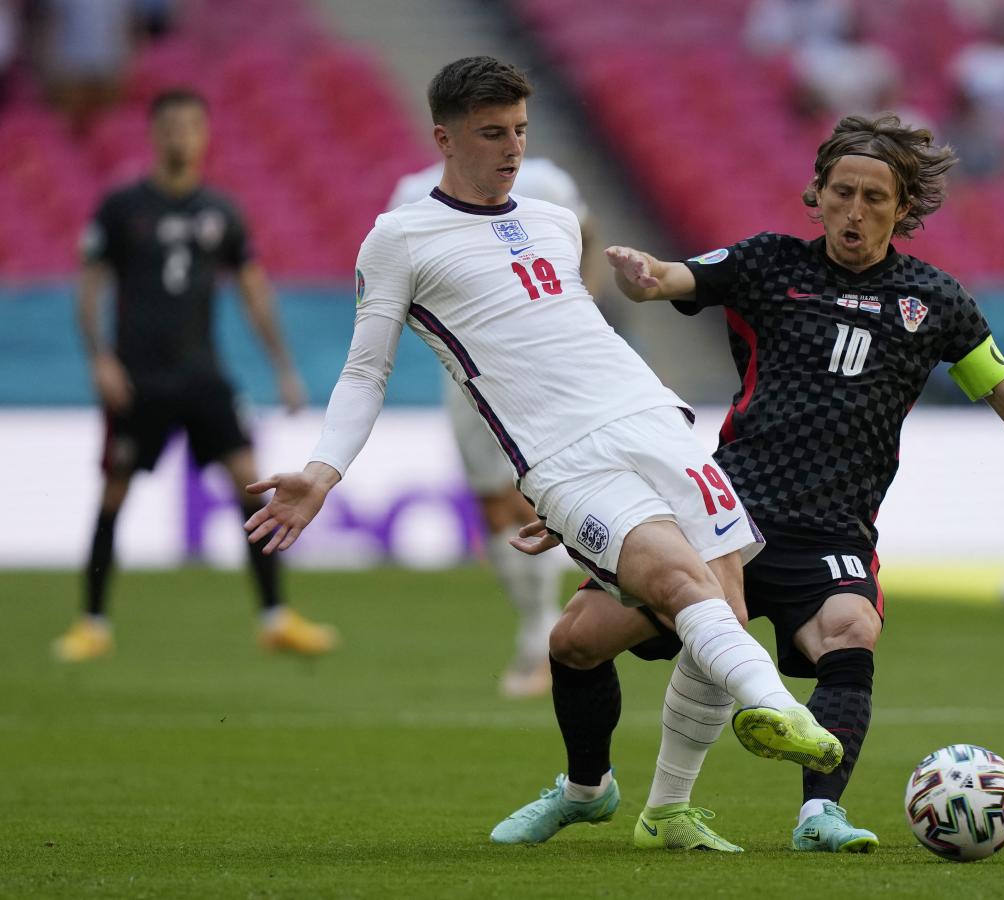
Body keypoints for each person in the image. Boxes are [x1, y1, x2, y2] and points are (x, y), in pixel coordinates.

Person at [491, 113, 1004, 853]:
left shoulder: (935, 303)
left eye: (874, 198)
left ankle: (818, 815)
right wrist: (647, 276)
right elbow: (672, 278)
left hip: (829, 530)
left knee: (852, 633)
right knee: (574, 642)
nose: (856, 210)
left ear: (902, 208)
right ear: (816, 196)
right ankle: (587, 790)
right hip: (720, 513)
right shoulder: (767, 266)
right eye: (842, 192)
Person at [242, 56, 844, 789]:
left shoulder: (555, 220)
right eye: (492, 134)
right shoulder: (399, 238)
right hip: (563, 454)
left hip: (649, 413)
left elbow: (566, 332)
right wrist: (322, 472)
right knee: (682, 583)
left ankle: (668, 808)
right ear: (446, 138)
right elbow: (367, 372)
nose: (512, 149)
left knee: (725, 594)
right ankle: (783, 713)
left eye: (520, 131)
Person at [54, 88, 336, 662]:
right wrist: (99, 358)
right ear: (153, 134)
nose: (181, 135)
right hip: (137, 380)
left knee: (250, 484)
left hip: (203, 376)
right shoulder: (122, 207)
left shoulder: (222, 211)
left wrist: (283, 366)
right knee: (114, 493)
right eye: (171, 126)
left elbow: (254, 289)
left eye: (191, 126)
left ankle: (275, 617)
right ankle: (93, 622)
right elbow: (90, 287)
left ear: (205, 136)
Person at [386, 157, 603, 698]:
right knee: (492, 505)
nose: (506, 140)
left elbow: (588, 235)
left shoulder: (546, 181)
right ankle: (540, 627)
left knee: (540, 498)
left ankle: (549, 638)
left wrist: (584, 309)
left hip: (546, 369)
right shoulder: (414, 191)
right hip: (467, 373)